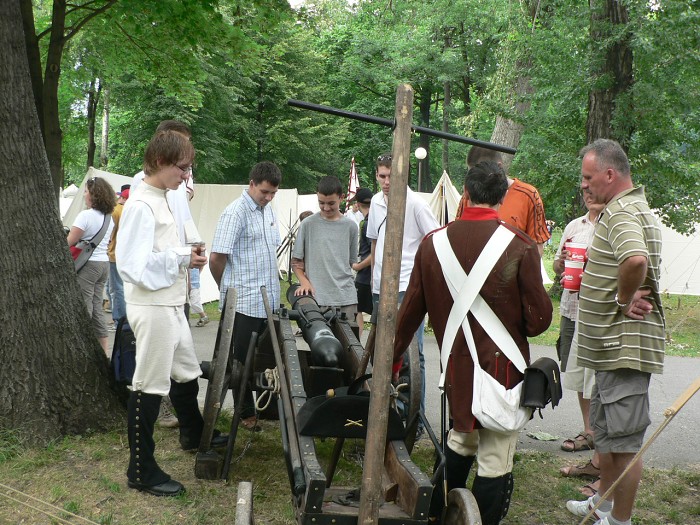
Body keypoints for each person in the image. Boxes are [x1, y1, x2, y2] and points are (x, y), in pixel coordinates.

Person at [393, 161, 552, 524]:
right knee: (495, 457)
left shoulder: (433, 244)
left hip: (457, 367)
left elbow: (409, 314)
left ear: (466, 192)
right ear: (502, 196)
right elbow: (539, 321)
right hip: (502, 371)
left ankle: (435, 513)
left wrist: (393, 362)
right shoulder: (520, 246)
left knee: (461, 439)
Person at [117, 130, 226, 497]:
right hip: (152, 307)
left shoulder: (163, 196)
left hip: (169, 302)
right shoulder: (141, 205)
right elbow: (131, 266)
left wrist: (185, 253)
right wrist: (181, 256)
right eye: (182, 168)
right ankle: (140, 469)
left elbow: (162, 248)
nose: (186, 175)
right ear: (161, 162)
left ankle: (193, 433)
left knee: (184, 370)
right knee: (148, 384)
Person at [565, 139, 665, 525]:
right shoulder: (624, 208)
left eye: (588, 178)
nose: (584, 185)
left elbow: (635, 259)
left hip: (624, 348)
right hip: (611, 349)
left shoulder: (621, 213)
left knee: (623, 445)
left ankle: (618, 521)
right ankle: (602, 506)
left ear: (610, 174)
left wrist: (623, 298)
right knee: (607, 437)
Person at [367, 153, 440, 433]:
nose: (386, 182)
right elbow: (374, 243)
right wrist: (374, 281)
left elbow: (434, 241)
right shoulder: (375, 202)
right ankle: (387, 412)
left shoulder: (417, 205)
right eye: (382, 176)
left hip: (407, 285)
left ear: (402, 176)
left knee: (411, 352)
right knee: (382, 349)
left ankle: (414, 418)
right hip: (380, 286)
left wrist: (421, 281)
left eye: (391, 176)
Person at [209, 161, 282, 431]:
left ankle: (266, 406)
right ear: (251, 183)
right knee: (240, 361)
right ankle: (245, 411)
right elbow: (216, 258)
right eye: (264, 192)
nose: (268, 197)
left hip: (268, 300)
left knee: (263, 359)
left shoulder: (268, 210)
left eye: (273, 193)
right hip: (244, 302)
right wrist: (227, 290)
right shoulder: (235, 212)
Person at [555, 193, 604, 495]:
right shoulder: (575, 225)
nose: (588, 195)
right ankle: (590, 431)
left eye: (593, 190)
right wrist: (561, 266)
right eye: (584, 190)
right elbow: (560, 265)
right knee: (575, 373)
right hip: (570, 308)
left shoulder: (611, 226)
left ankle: (600, 441)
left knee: (596, 377)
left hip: (595, 312)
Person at [456, 147, 550, 255]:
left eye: (482, 174)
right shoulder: (468, 196)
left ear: (499, 167)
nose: (476, 181)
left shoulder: (529, 195)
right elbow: (459, 235)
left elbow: (536, 246)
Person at [291, 176, 358, 317]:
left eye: (331, 203)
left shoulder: (351, 226)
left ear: (342, 198)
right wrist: (304, 282)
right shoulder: (308, 224)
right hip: (317, 298)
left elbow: (351, 262)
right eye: (321, 203)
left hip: (346, 298)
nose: (326, 208)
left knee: (351, 338)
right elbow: (296, 262)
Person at [66, 177, 115, 354]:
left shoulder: (85, 216)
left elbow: (70, 241)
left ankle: (81, 349)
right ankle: (103, 350)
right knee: (97, 308)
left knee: (84, 307)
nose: (84, 195)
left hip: (88, 265)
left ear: (93, 195)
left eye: (86, 191)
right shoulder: (109, 219)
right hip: (103, 264)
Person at [351, 188, 374, 337]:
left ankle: (357, 344)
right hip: (371, 275)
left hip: (365, 276)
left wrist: (358, 266)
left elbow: (375, 252)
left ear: (358, 205)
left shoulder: (367, 223)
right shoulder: (373, 220)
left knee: (355, 309)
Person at [107, 184, 130, 331]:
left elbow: (109, 233)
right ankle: (122, 320)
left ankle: (119, 321)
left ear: (121, 197)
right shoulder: (129, 211)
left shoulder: (115, 211)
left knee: (116, 289)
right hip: (125, 255)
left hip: (115, 254)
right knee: (118, 288)